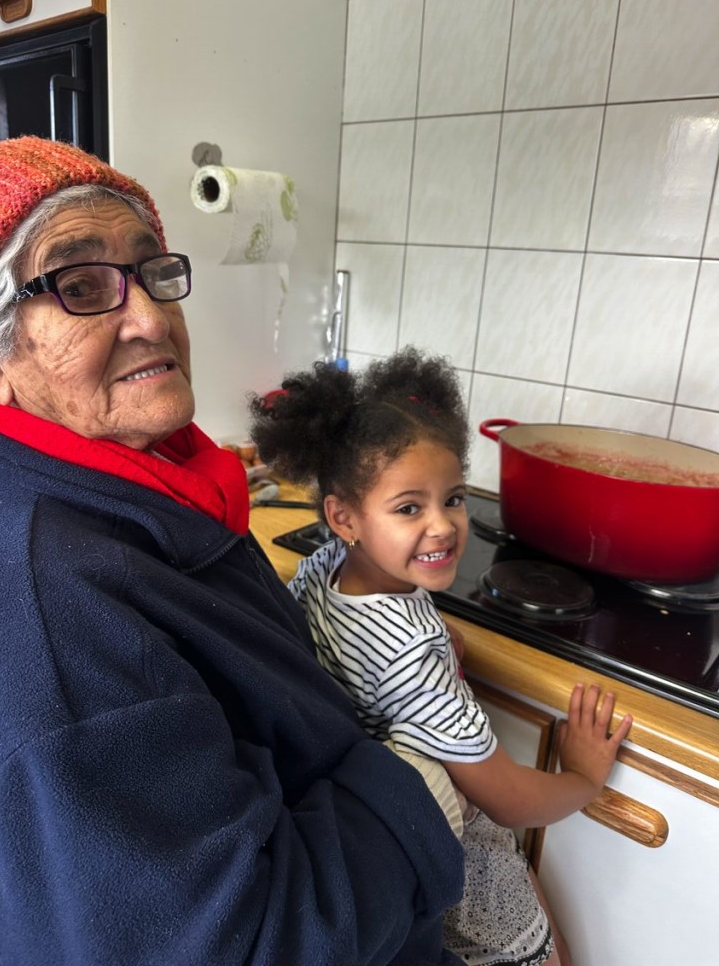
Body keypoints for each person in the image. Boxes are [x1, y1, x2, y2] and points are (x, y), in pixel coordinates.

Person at [0, 138, 470, 966]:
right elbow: (232, 945)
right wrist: (422, 791)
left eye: (154, 271)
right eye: (81, 287)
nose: (153, 317)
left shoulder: (140, 485)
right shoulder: (55, 620)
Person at [249, 348, 634, 966]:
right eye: (410, 508)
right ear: (343, 517)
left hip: (367, 816)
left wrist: (421, 652)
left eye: (452, 498)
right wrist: (584, 779)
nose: (444, 525)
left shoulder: (325, 568)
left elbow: (360, 652)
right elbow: (508, 800)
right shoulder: (414, 659)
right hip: (449, 843)